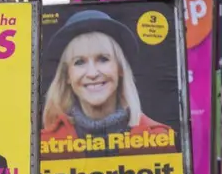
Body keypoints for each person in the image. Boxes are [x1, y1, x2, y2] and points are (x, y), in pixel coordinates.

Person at [40, 9, 174, 144]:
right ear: (67, 75)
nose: (92, 74)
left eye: (103, 59)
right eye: (79, 62)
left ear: (120, 68)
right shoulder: (46, 143)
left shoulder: (158, 138)